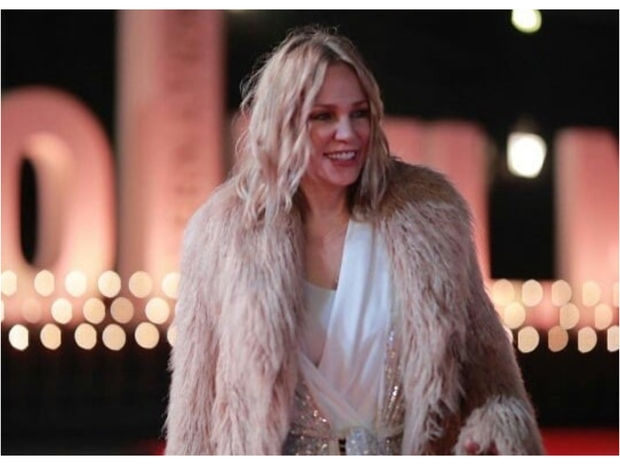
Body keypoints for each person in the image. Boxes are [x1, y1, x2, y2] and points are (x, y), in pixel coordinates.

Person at [164, 25, 545, 455]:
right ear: (282, 122)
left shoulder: (430, 220)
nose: (347, 133)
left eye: (359, 113)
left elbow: (494, 383)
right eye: (323, 116)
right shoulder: (222, 236)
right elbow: (194, 413)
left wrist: (496, 430)